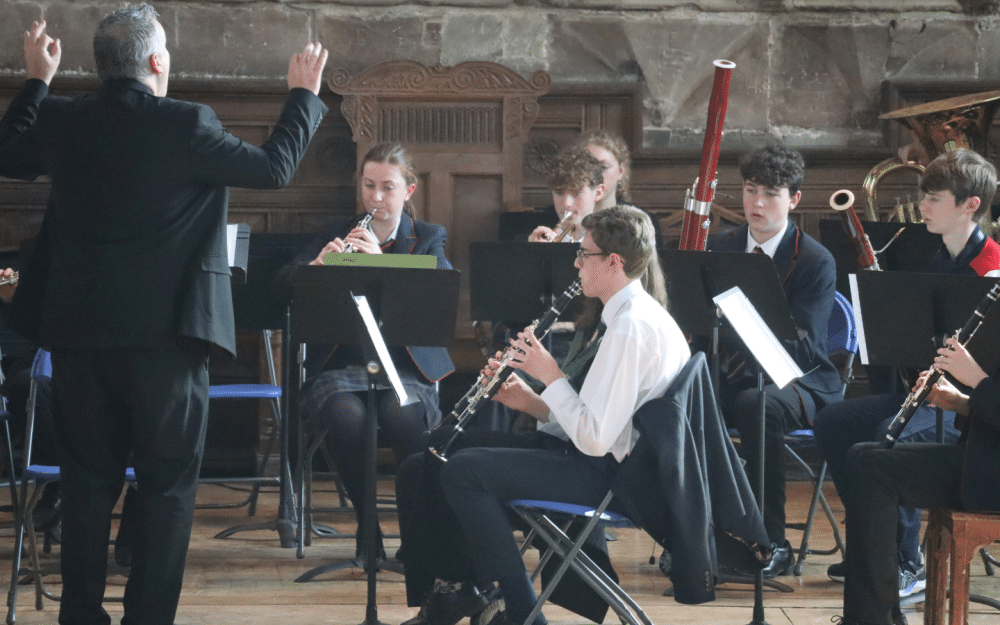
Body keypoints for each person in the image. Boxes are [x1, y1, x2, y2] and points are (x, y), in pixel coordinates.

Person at [0, 8, 328, 625]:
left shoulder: (64, 120)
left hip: (78, 339)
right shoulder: (186, 124)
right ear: (156, 61)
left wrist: (38, 80)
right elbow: (274, 168)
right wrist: (302, 96)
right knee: (167, 488)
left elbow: (7, 152)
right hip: (167, 344)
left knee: (85, 484)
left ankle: (80, 616)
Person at [396, 209, 668, 625]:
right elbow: (594, 419)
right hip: (595, 458)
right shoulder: (620, 316)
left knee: (464, 471)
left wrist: (550, 374)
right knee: (424, 462)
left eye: (584, 254)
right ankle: (454, 592)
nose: (576, 263)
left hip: (612, 478)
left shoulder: (630, 328)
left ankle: (522, 612)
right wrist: (532, 402)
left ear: (614, 262)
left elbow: (595, 439)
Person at [813, 147, 1000, 594]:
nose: (923, 206)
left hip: (969, 410)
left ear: (970, 206)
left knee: (886, 436)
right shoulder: (940, 258)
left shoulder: (991, 270)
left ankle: (905, 562)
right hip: (933, 393)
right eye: (924, 196)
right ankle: (872, 547)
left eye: (934, 198)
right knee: (834, 421)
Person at [292, 142, 454, 560]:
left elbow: (441, 282)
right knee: (347, 417)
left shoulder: (428, 236)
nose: (375, 197)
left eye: (387, 187)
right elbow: (284, 286)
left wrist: (381, 262)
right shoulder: (336, 231)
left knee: (402, 416)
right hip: (341, 366)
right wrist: (315, 271)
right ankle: (368, 528)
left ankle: (417, 535)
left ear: (409, 191)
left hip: (406, 370)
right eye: (368, 186)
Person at [706, 144, 844, 577]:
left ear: (794, 199)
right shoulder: (720, 247)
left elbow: (803, 346)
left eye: (771, 193)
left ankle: (771, 542)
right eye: (751, 190)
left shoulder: (815, 259)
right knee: (682, 394)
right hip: (732, 373)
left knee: (756, 404)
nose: (758, 203)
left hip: (799, 380)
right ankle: (696, 535)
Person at [838, 336, 1000, 625]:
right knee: (862, 457)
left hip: (990, 476)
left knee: (872, 468)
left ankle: (871, 619)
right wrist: (961, 403)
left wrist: (977, 379)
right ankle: (877, 616)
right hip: (983, 462)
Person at [528, 146, 605, 243]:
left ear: (598, 193)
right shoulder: (532, 239)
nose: (566, 203)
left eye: (577, 193)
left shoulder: (614, 243)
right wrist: (533, 250)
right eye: (559, 192)